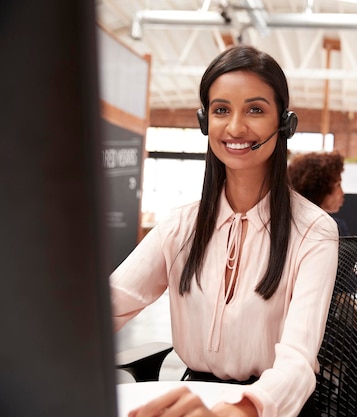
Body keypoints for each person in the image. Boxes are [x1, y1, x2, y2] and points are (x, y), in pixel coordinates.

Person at [110, 45, 340, 417]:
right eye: (221, 110)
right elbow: (114, 300)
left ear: (284, 123)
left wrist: (240, 411)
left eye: (255, 109)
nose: (235, 127)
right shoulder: (181, 225)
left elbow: (297, 363)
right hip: (196, 397)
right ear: (205, 122)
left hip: (270, 407)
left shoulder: (314, 231)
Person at [287, 151, 348, 236]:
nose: (342, 193)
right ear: (321, 188)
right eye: (338, 185)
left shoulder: (283, 224)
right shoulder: (332, 227)